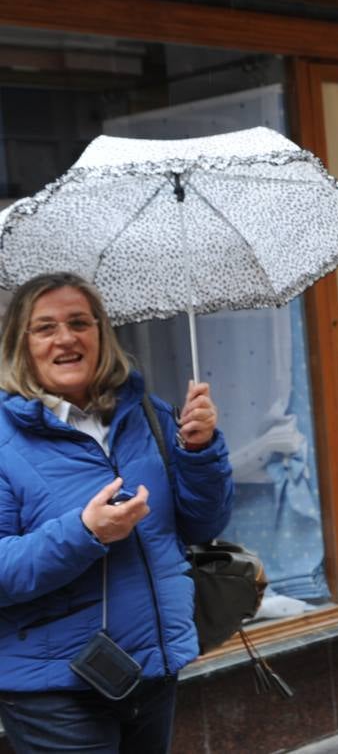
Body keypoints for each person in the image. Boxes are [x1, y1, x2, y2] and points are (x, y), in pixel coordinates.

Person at [0, 273, 233, 753]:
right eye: (45, 328)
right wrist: (85, 532)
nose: (66, 338)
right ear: (20, 344)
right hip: (56, 692)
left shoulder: (150, 414)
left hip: (150, 671)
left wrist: (200, 449)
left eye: (79, 322)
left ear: (102, 333)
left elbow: (203, 524)